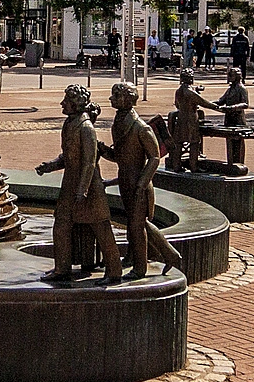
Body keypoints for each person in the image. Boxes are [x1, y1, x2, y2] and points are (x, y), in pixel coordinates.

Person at [36, 84, 123, 284]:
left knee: (101, 228)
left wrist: (82, 191)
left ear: (75, 104)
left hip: (89, 188)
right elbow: (68, 157)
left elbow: (89, 163)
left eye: (66, 101)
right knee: (61, 225)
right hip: (70, 184)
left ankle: (114, 270)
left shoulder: (86, 128)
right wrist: (49, 166)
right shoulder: (70, 124)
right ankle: (62, 268)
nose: (62, 104)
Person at [100, 81, 182, 278]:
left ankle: (140, 268)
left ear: (128, 100)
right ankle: (140, 257)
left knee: (137, 226)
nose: (111, 99)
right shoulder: (119, 123)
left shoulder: (140, 128)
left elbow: (154, 157)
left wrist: (142, 183)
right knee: (134, 223)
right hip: (126, 181)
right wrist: (103, 150)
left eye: (116, 96)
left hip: (139, 184)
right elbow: (120, 156)